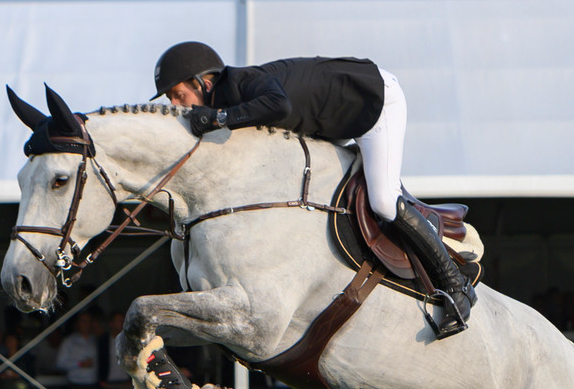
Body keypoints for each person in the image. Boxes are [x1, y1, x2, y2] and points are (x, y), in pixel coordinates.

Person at [152, 41, 475, 338]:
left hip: (375, 103)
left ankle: (455, 286)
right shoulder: (229, 97)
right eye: (171, 100)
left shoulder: (241, 83)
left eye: (179, 95)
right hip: (333, 119)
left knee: (384, 202)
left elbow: (279, 105)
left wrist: (218, 117)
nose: (178, 105)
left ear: (203, 83)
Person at [55, 312, 98, 385]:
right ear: (78, 323)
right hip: (75, 383)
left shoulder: (95, 340)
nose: (86, 324)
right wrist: (79, 364)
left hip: (94, 383)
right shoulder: (69, 341)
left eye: (89, 321)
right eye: (84, 321)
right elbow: (60, 364)